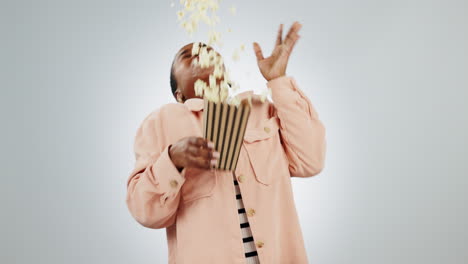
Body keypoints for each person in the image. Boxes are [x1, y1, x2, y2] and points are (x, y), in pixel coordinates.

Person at [126, 21, 327, 263]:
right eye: (187, 54)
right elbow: (147, 212)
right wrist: (172, 160)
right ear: (180, 95)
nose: (200, 51)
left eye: (206, 49)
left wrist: (279, 82)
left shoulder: (259, 109)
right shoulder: (161, 122)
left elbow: (311, 160)